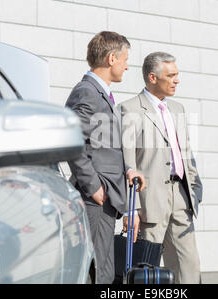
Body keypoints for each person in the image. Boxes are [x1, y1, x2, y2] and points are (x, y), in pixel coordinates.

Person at [65, 31, 146, 284]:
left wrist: (127, 172)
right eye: (125, 60)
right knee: (99, 271)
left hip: (105, 197)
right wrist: (94, 187)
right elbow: (72, 140)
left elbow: (101, 148)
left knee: (104, 269)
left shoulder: (99, 94)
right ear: (112, 58)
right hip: (95, 200)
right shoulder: (87, 92)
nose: (127, 65)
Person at [119, 52, 203, 284]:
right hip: (148, 201)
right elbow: (126, 163)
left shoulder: (178, 109)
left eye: (177, 74)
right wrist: (130, 209)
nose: (177, 80)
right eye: (171, 75)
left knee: (189, 267)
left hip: (181, 198)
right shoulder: (129, 109)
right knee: (146, 271)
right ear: (153, 77)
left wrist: (194, 190)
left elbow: (186, 153)